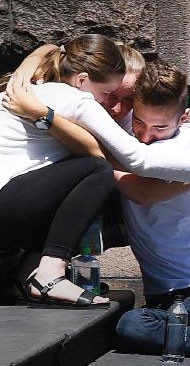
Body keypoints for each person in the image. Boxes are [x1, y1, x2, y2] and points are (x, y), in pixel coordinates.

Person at [114, 60, 190, 364]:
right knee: (130, 328)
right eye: (139, 123)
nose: (146, 135)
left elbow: (141, 180)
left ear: (183, 118)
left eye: (160, 127)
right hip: (161, 294)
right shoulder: (130, 138)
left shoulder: (189, 145)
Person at [0, 34, 125, 306]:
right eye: (107, 94)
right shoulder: (73, 98)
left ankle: (27, 274)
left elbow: (50, 47)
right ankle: (48, 274)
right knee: (97, 172)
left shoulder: (38, 87)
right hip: (5, 203)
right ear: (82, 79)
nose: (110, 103)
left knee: (68, 183)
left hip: (11, 207)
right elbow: (122, 155)